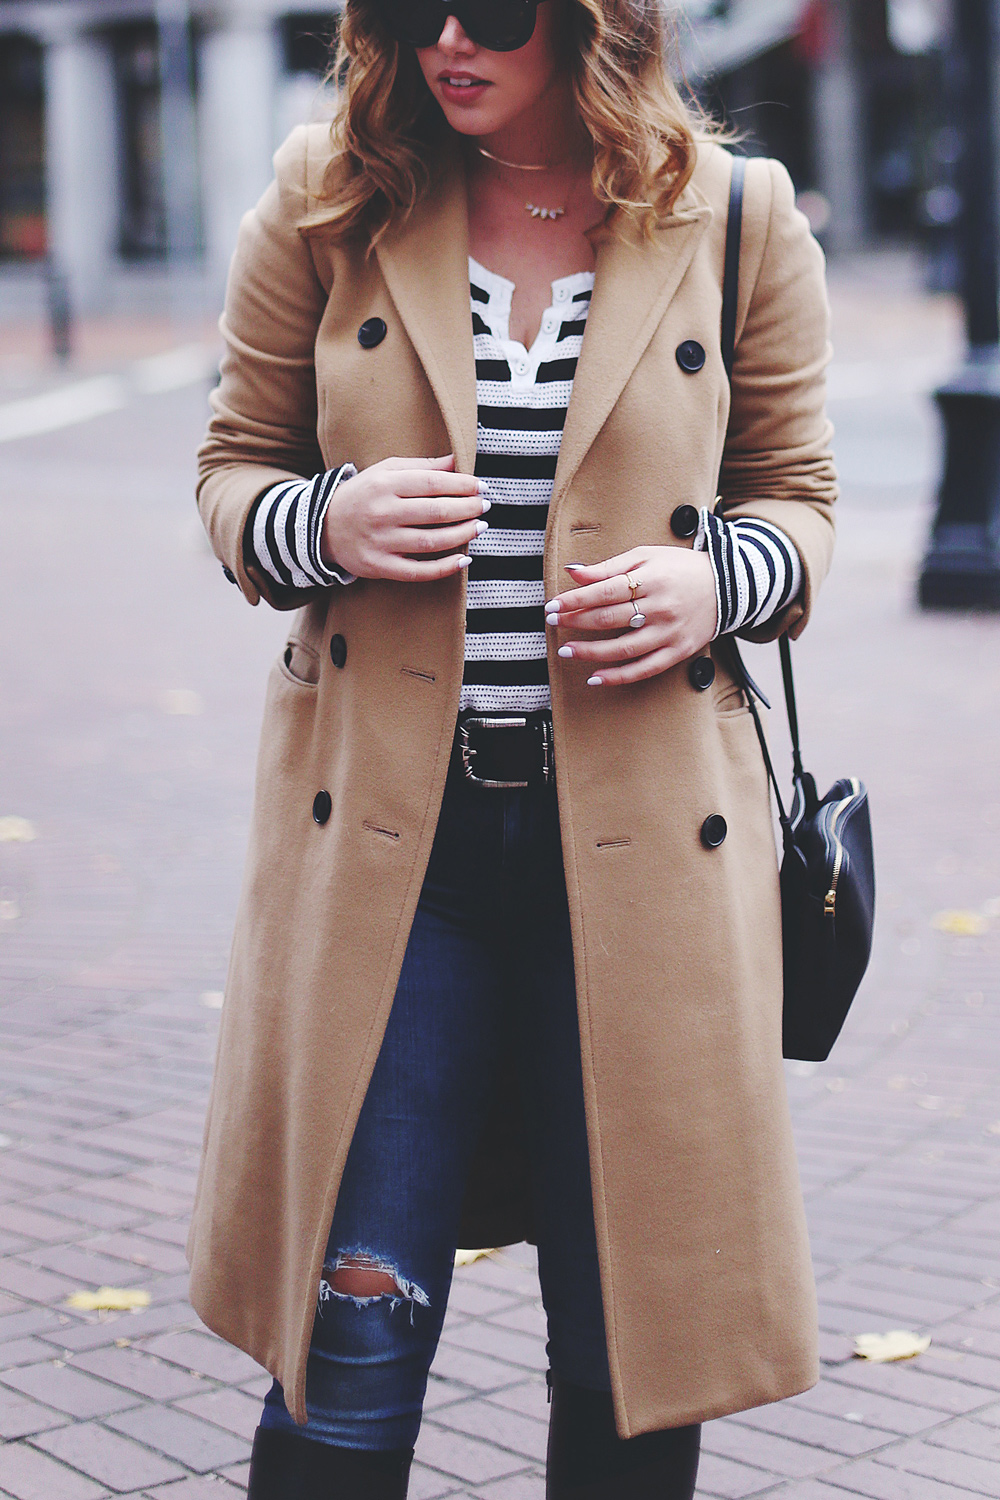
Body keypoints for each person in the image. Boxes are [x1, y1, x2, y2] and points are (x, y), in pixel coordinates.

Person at [190, 1, 837, 1495]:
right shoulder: (331, 190)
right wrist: (326, 522)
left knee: (630, 1355)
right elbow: (234, 472)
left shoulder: (732, 215)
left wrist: (711, 581)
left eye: (496, 9)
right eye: (414, 12)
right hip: (392, 857)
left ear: (597, 23)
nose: (451, 42)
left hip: (648, 852)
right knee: (348, 1335)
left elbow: (800, 503)